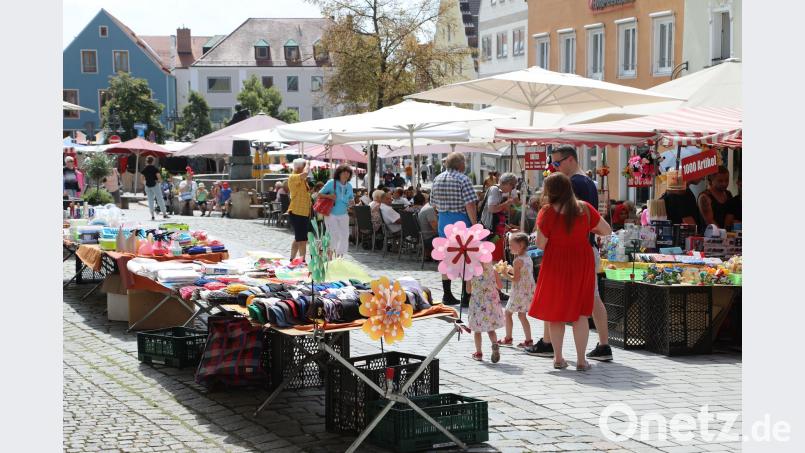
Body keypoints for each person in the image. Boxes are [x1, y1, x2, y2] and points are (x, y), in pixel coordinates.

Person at [526, 145, 612, 362]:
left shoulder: (547, 211)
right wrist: (583, 230)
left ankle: (557, 357)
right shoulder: (584, 203)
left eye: (557, 162)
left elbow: (541, 243)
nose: (555, 166)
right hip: (582, 258)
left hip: (557, 261)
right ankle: (583, 359)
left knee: (556, 310)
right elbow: (606, 230)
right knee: (583, 310)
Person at [431, 152, 478, 306]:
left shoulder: (437, 179)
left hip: (444, 221)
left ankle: (447, 294)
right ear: (460, 165)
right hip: (461, 220)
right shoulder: (463, 179)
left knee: (446, 257)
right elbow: (470, 204)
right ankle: (465, 295)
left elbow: (433, 204)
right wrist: (475, 223)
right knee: (466, 258)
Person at [498, 233, 535, 349]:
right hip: (527, 291)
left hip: (518, 292)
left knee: (508, 313)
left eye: (511, 245)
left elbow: (516, 279)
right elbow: (523, 274)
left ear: (521, 245)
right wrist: (511, 270)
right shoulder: (527, 257)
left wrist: (504, 274)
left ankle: (508, 338)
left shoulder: (517, 260)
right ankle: (529, 340)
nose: (509, 248)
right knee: (522, 315)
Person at [467, 251, 504, 363]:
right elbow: (500, 286)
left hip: (477, 304)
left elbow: (468, 291)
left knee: (477, 330)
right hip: (491, 304)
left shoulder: (471, 272)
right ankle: (494, 344)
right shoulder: (493, 271)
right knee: (490, 328)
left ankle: (478, 353)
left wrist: (467, 281)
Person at [480, 172, 519, 261]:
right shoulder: (495, 190)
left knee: (493, 258)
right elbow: (492, 209)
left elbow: (496, 213)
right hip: (489, 230)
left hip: (491, 229)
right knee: (492, 258)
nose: (511, 190)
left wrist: (505, 226)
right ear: (508, 183)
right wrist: (506, 204)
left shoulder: (497, 191)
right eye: (512, 187)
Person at [318, 164, 354, 258]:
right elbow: (319, 194)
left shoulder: (349, 186)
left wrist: (352, 202)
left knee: (345, 236)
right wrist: (329, 196)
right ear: (339, 173)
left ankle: (339, 257)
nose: (346, 175)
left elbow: (351, 198)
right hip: (331, 214)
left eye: (348, 173)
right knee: (334, 235)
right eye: (344, 173)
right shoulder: (331, 183)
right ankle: (329, 256)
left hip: (344, 214)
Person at [287, 159, 312, 260]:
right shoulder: (293, 177)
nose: (306, 169)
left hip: (303, 213)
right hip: (297, 212)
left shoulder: (302, 180)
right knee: (302, 239)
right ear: (298, 168)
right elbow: (305, 173)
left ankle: (293, 259)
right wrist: (308, 164)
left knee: (299, 238)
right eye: (304, 167)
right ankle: (302, 261)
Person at [141, 156, 169, 220]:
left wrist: (145, 183)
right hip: (155, 185)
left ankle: (152, 215)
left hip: (147, 186)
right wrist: (159, 181)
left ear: (146, 161)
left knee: (150, 200)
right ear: (153, 161)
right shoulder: (155, 169)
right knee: (160, 199)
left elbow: (141, 178)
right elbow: (159, 177)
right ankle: (164, 214)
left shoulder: (144, 169)